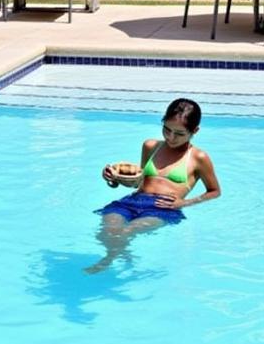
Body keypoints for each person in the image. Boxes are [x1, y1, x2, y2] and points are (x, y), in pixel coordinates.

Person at [86, 98, 221, 273]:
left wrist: (184, 203)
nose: (171, 137)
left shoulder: (199, 158)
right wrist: (115, 179)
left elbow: (215, 191)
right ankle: (122, 254)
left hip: (162, 208)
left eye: (179, 134)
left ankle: (108, 259)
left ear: (194, 131)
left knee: (125, 232)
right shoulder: (150, 146)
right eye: (166, 129)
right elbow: (139, 181)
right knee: (107, 230)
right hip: (133, 201)